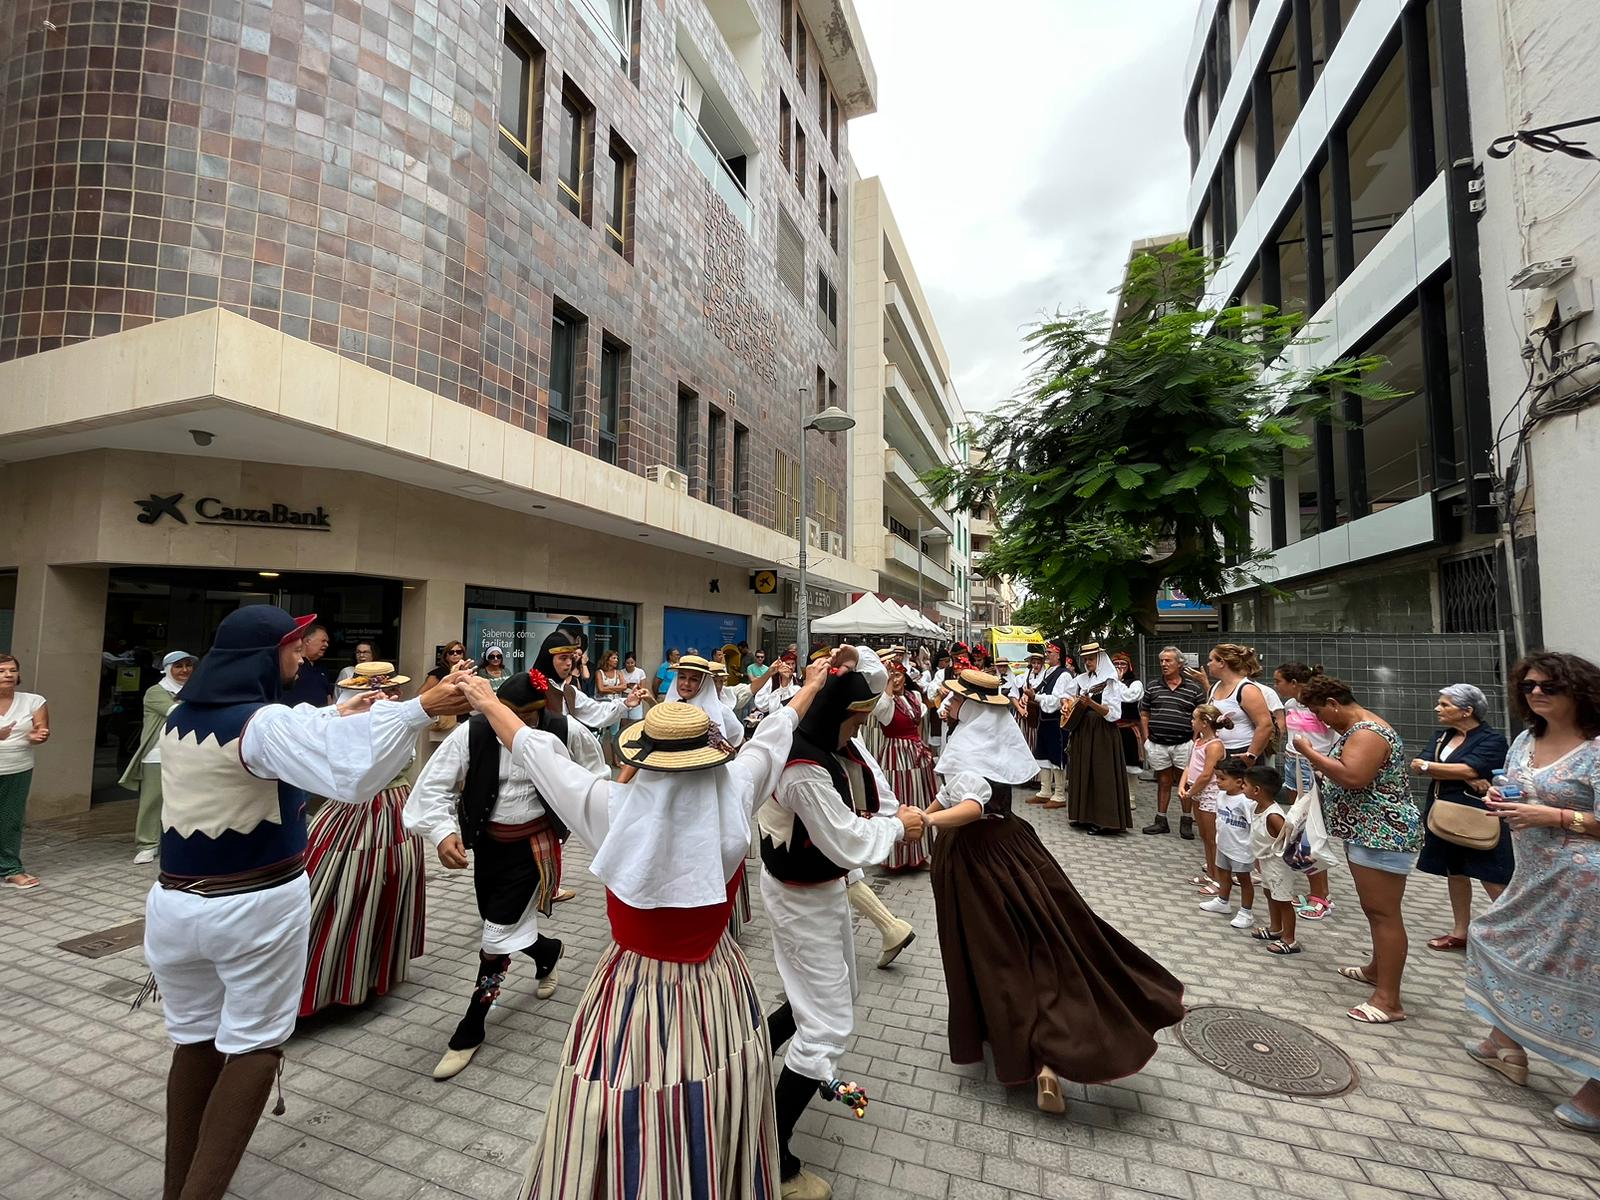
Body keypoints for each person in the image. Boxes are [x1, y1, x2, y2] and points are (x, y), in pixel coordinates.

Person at [456, 658, 830, 1199]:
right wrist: (813, 684)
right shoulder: (736, 790)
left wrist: (486, 699)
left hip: (632, 984)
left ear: (643, 756)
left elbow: (533, 750)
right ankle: (711, 1174)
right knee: (718, 1076)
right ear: (709, 755)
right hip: (715, 978)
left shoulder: (609, 806)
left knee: (624, 1090)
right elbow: (773, 737)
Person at [141, 607, 468, 1200]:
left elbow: (305, 729)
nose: (300, 657)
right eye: (292, 647)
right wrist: (423, 706)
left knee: (193, 1041)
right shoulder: (262, 721)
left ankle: (174, 1187)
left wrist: (344, 711)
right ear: (265, 655)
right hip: (251, 906)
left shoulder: (182, 716)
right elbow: (344, 768)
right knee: (255, 1047)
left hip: (172, 906)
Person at [924, 669, 1185, 1114]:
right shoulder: (985, 739)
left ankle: (1035, 1050)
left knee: (996, 954)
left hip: (976, 858)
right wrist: (918, 814)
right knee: (1037, 941)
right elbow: (952, 796)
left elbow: (968, 806)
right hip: (1012, 847)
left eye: (952, 700)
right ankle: (1046, 1048)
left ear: (972, 706)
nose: (946, 705)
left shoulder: (969, 745)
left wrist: (926, 823)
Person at [759, 647, 926, 1200]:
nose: (864, 725)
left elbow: (866, 693)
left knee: (829, 993)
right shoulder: (805, 769)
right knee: (827, 1023)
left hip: (817, 887)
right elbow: (846, 841)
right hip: (799, 895)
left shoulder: (827, 736)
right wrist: (900, 828)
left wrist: (857, 658)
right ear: (842, 714)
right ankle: (773, 1157)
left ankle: (749, 1052)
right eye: (859, 716)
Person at [404, 666, 608, 1080]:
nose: (523, 724)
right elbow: (433, 787)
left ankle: (471, 1027)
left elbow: (596, 776)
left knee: (495, 938)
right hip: (490, 845)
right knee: (496, 921)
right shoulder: (474, 732)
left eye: (532, 716)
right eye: (515, 713)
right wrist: (443, 833)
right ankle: (546, 951)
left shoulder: (566, 731)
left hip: (537, 847)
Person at [1463, 652, 1600, 1130]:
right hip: (1532, 871)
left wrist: (1558, 817)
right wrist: (1498, 798)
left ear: (1580, 691)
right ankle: (1504, 1041)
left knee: (1587, 983)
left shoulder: (1596, 747)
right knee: (1494, 940)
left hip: (1586, 883)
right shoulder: (1526, 738)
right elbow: (1515, 787)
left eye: (1549, 687)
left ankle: (1596, 1093)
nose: (1537, 693)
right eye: (1529, 686)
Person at [300, 661, 427, 1017]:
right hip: (357, 810)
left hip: (394, 809)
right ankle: (327, 977)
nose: (393, 696)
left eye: (395, 690)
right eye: (385, 691)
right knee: (348, 885)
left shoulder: (391, 720)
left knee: (388, 882)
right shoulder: (350, 722)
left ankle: (367, 972)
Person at [1293, 675, 1418, 1024]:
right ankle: (1378, 969)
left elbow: (1353, 776)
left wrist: (1309, 753)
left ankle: (1388, 1000)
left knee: (1384, 914)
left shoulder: (1367, 732)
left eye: (1321, 713)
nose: (1320, 720)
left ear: (1334, 704)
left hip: (1382, 833)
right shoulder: (1359, 729)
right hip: (1368, 832)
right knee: (1375, 910)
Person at [1410, 683, 1511, 952]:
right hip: (1444, 814)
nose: (1437, 708)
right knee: (1455, 872)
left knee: (1492, 875)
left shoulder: (1492, 739)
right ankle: (1460, 932)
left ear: (1467, 711)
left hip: (1479, 814)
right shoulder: (1442, 736)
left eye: (1445, 704)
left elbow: (1466, 768)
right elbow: (1417, 765)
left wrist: (1444, 769)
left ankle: (1513, 935)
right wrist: (1464, 773)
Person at [1276, 662, 1339, 921]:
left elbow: (1337, 739)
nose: (1275, 686)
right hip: (1293, 764)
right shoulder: (1291, 706)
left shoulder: (1322, 707)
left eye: (1279, 681)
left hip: (1314, 767)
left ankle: (1321, 895)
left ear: (1294, 683)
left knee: (1312, 831)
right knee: (1297, 827)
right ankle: (1315, 889)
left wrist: (1324, 768)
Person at [122, 650, 197, 865]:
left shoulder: (195, 690)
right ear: (167, 668)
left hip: (189, 755)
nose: (184, 670)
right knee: (152, 801)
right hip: (158, 755)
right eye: (178, 666)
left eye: (187, 665)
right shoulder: (156, 691)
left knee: (186, 801)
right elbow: (177, 712)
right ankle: (147, 844)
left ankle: (181, 842)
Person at [875, 661, 936, 872]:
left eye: (899, 675)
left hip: (916, 754)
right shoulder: (884, 702)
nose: (897, 679)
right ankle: (896, 857)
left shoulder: (914, 696)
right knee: (899, 799)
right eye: (892, 675)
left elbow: (918, 722)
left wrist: (921, 746)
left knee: (918, 797)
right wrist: (887, 686)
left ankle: (920, 853)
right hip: (895, 754)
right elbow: (882, 712)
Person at [1141, 647, 1207, 837]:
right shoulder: (1153, 686)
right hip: (1158, 743)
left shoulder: (1193, 688)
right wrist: (1146, 739)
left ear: (1179, 663)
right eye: (1162, 661)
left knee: (1185, 782)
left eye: (1168, 661)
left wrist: (1195, 740)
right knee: (1163, 781)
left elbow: (1202, 715)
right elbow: (1144, 713)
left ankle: (1186, 820)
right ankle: (1161, 820)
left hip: (1184, 742)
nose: (1164, 664)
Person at [1065, 643, 1131, 833]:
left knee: (1102, 774)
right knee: (1082, 770)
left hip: (1103, 732)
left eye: (1091, 659)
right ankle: (1083, 816)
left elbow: (1113, 714)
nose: (1087, 662)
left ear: (1100, 659)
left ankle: (1105, 821)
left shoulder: (1110, 681)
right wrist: (1066, 704)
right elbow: (1066, 696)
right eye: (1085, 659)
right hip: (1083, 730)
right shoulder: (1081, 679)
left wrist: (1091, 703)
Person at [0, 653, 50, 890]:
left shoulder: (34, 701)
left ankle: (11, 869)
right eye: (1, 671)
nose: (8, 675)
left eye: (12, 670)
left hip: (17, 768)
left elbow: (41, 731)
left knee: (9, 821)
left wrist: (37, 736)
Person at [533, 631, 645, 732]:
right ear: (548, 659)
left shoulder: (569, 692)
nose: (569, 663)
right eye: (563, 658)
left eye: (570, 658)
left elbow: (595, 711)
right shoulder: (529, 685)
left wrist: (625, 703)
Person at [1242, 764, 1300, 953]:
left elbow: (1288, 839)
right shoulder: (1256, 807)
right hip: (1266, 861)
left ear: (1257, 790)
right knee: (1269, 894)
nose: (1243, 788)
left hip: (1278, 865)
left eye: (1245, 785)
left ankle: (1289, 939)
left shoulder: (1273, 816)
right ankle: (1276, 928)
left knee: (1283, 900)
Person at [1199, 757, 1257, 930]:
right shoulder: (1221, 796)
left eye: (1222, 779)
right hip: (1224, 845)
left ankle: (1246, 912)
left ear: (1239, 781)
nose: (1218, 782)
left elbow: (1253, 824)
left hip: (1241, 849)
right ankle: (1223, 901)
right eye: (1217, 777)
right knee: (1223, 874)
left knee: (1244, 880)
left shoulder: (1246, 802)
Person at [1179, 705, 1231, 894]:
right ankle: (1210, 873)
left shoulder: (1215, 745)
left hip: (1209, 793)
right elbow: (1189, 766)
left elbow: (1206, 774)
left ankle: (1219, 880)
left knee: (1212, 839)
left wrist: (1190, 792)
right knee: (1204, 836)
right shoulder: (1198, 741)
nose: (1192, 722)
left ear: (1205, 723)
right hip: (1196, 791)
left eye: (1194, 719)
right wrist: (1182, 786)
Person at [1021, 641, 1075, 808]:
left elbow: (1058, 700)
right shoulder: (1049, 672)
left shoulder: (1064, 674)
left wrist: (1035, 697)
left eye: (1050, 652)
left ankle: (1059, 794)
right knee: (1043, 754)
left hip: (1057, 721)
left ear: (1059, 655)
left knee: (1057, 755)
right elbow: (1044, 692)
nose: (1047, 655)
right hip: (1045, 719)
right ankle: (1045, 791)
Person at [1205, 644, 1274, 765]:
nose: (1208, 664)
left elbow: (1265, 725)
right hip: (1218, 750)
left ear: (1222, 662)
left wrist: (1251, 755)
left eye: (1211, 660)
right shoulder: (1215, 687)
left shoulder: (1247, 689)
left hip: (1241, 751)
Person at [672, 654, 745, 748]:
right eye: (682, 677)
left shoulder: (721, 711)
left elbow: (737, 735)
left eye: (694, 679)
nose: (686, 683)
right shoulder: (669, 705)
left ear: (703, 683)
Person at [1111, 652, 1145, 786]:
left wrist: (1118, 683)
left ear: (1129, 666)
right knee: (1111, 762)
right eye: (1116, 664)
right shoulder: (1107, 683)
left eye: (1122, 664)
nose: (1119, 666)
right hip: (1111, 728)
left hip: (1128, 728)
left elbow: (1130, 696)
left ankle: (1130, 796)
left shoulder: (1136, 683)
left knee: (1130, 763)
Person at [281, 623, 333, 707]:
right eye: (323, 641)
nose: (326, 645)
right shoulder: (291, 665)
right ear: (307, 641)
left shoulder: (322, 668)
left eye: (327, 642)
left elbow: (329, 697)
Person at [593, 650, 628, 766]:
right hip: (602, 706)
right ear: (607, 659)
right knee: (601, 733)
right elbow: (600, 689)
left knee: (615, 733)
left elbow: (624, 686)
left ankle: (615, 760)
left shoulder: (618, 673)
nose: (616, 660)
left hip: (616, 706)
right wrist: (616, 688)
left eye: (617, 658)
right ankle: (600, 760)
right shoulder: (599, 673)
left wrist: (609, 687)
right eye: (614, 658)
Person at [619, 652, 647, 724]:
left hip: (636, 697)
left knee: (635, 722)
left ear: (635, 662)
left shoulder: (640, 672)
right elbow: (620, 687)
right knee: (623, 722)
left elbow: (643, 688)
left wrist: (635, 686)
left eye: (632, 663)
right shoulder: (621, 672)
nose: (630, 665)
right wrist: (627, 686)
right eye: (628, 663)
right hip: (624, 697)